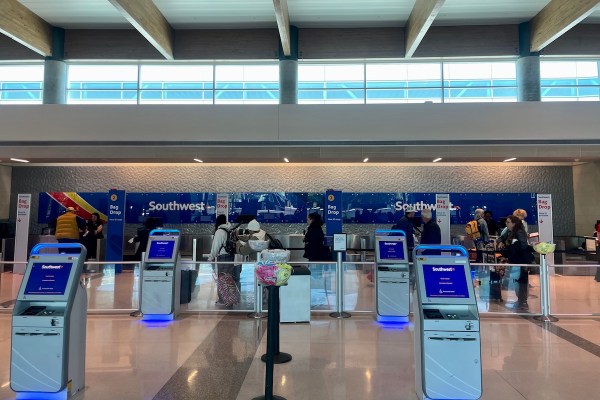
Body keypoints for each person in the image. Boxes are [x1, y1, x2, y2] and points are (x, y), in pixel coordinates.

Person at [499, 215, 535, 311]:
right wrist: (502, 242)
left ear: (514, 223)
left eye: (508, 222)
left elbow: (523, 245)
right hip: (515, 260)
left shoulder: (519, 232)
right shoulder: (510, 231)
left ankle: (523, 302)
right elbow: (501, 238)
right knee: (517, 281)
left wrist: (513, 247)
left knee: (521, 281)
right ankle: (520, 300)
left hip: (521, 260)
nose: (506, 224)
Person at [208, 214, 235, 305]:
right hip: (230, 256)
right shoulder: (230, 230)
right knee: (228, 278)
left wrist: (211, 257)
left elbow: (216, 246)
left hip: (223, 257)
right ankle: (230, 298)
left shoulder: (220, 231)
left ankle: (222, 300)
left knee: (222, 279)